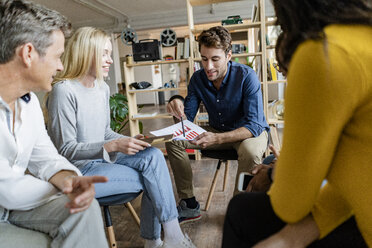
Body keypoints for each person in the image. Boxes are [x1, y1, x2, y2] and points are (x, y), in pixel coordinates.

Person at [222, 0, 372, 247]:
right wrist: (291, 238)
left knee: (241, 211)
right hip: (350, 209)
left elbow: (289, 206)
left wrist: (275, 173)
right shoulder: (362, 36)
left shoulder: (324, 53)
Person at [46, 26, 196, 248]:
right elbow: (66, 149)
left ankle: (166, 238)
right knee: (153, 177)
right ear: (87, 53)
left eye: (109, 54)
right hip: (80, 169)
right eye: (104, 54)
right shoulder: (64, 91)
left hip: (105, 160)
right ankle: (160, 241)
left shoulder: (102, 88)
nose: (110, 60)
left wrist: (132, 140)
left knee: (153, 155)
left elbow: (105, 132)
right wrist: (114, 144)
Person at [0, 0, 109, 247]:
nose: (61, 66)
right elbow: (7, 188)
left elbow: (47, 158)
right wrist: (63, 188)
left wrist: (70, 179)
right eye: (57, 56)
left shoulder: (28, 105)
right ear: (28, 54)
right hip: (9, 201)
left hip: (15, 207)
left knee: (84, 208)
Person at [165, 26, 269, 223]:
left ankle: (241, 209)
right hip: (217, 131)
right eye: (204, 59)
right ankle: (189, 204)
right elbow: (186, 119)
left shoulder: (247, 76)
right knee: (174, 141)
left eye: (215, 59)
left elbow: (254, 124)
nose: (208, 66)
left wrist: (217, 138)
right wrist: (177, 102)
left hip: (248, 132)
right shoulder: (198, 78)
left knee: (250, 151)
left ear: (229, 55)